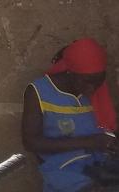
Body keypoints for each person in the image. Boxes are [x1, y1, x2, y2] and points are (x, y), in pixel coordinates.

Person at [21, 38, 119, 192]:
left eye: (98, 82)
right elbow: (31, 142)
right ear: (70, 72)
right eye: (86, 82)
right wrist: (89, 142)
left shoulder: (97, 89)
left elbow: (109, 127)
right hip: (63, 168)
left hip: (101, 161)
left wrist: (110, 142)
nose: (92, 89)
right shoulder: (38, 92)